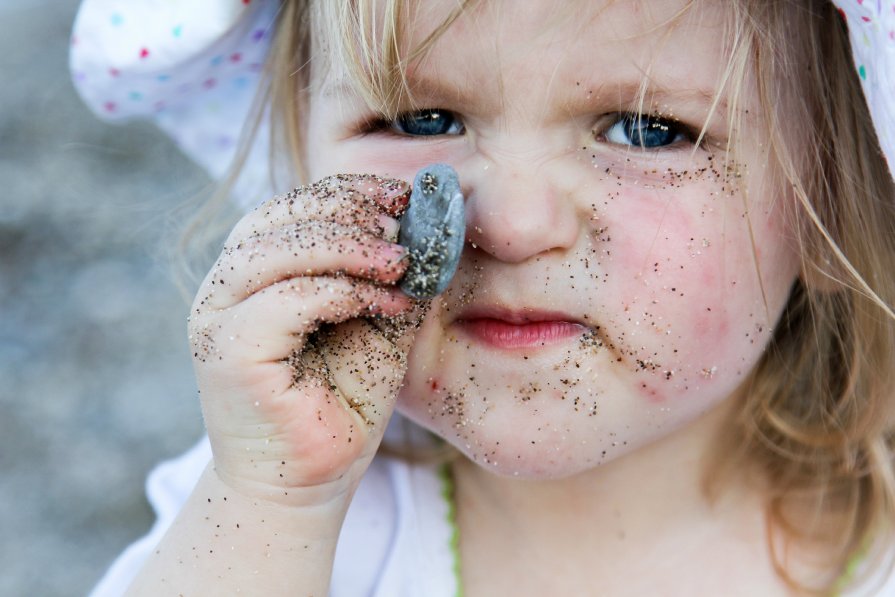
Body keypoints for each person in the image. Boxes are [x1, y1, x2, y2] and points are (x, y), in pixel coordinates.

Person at [71, 0, 895, 594]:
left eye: (645, 129)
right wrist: (272, 505)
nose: (508, 223)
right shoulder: (262, 522)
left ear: (828, 208)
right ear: (300, 161)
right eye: (423, 119)